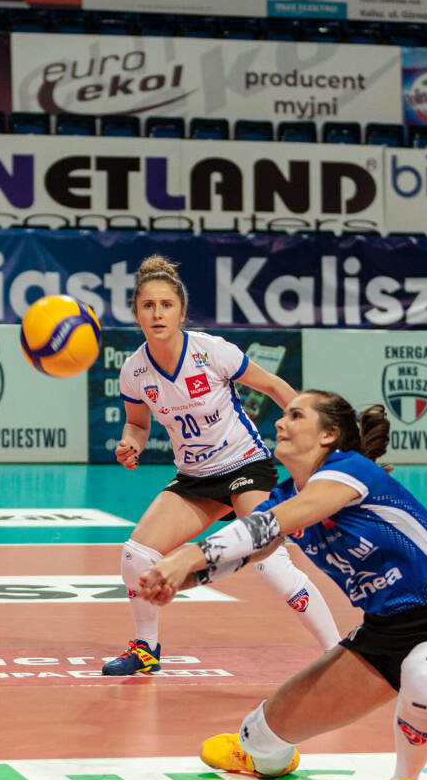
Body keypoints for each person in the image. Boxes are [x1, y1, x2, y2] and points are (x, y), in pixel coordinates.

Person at [139, 391, 427, 780]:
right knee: (260, 741)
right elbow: (249, 551)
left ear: (329, 434)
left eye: (295, 415)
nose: (280, 423)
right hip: (380, 637)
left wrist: (187, 554)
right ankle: (259, 752)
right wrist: (180, 581)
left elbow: (266, 526)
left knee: (424, 673)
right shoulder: (288, 495)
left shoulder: (350, 471)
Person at [103, 255, 340, 676]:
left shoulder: (211, 351)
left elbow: (273, 385)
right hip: (195, 477)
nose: (157, 313)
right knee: (136, 555)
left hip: (245, 465)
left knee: (270, 563)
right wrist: (130, 443)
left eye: (166, 305)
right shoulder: (134, 371)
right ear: (136, 314)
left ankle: (337, 653)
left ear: (181, 312)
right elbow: (137, 424)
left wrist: (310, 432)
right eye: (148, 306)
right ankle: (146, 649)